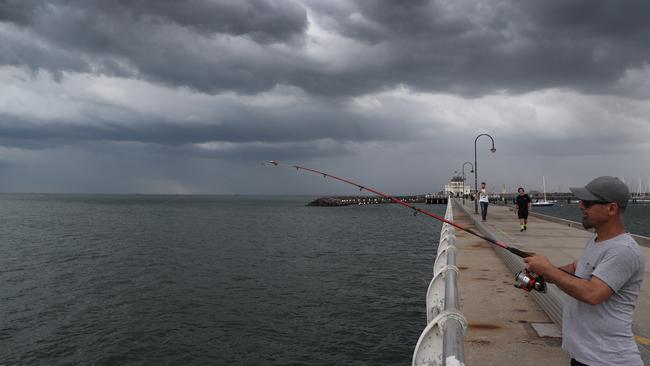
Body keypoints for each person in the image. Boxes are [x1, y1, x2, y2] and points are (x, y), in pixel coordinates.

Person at [524, 176, 645, 366]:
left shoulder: (624, 250)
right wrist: (542, 272)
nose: (580, 206)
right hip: (584, 356)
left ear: (611, 209)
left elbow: (593, 293)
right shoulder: (598, 239)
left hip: (609, 360)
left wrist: (547, 268)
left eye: (587, 203)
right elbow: (577, 268)